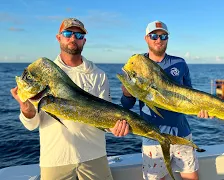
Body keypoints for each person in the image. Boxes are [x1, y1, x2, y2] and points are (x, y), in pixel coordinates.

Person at [10, 17, 129, 180]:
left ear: (84, 41)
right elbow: (31, 125)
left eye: (79, 36)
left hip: (94, 156)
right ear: (59, 37)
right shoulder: (41, 76)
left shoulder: (98, 74)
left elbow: (105, 117)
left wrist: (115, 127)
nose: (73, 38)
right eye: (68, 33)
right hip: (55, 159)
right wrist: (26, 109)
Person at [120, 20, 212, 180]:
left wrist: (203, 110)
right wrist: (127, 94)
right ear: (146, 38)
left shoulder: (179, 63)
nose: (159, 40)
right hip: (152, 136)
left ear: (168, 39)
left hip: (182, 133)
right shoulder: (136, 64)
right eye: (154, 36)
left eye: (163, 36)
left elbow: (190, 95)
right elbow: (127, 104)